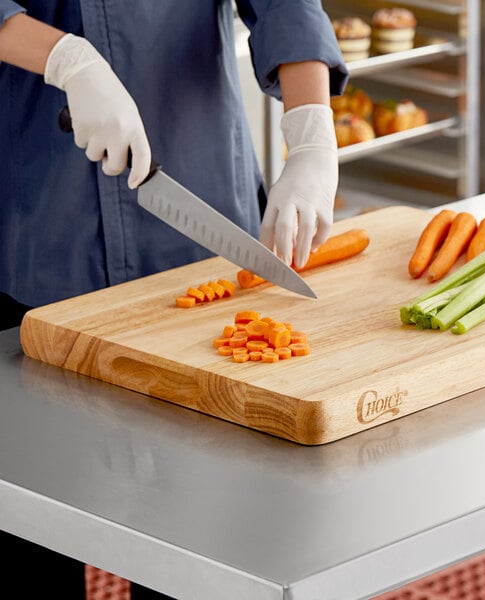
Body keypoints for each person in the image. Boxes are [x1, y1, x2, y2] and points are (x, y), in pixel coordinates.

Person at [0, 1, 348, 598]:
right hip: (35, 233)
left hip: (196, 211)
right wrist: (66, 59)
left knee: (203, 544)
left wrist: (312, 134)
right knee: (28, 526)